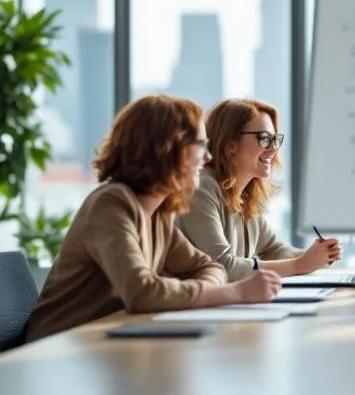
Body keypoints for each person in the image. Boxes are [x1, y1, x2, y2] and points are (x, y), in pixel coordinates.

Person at [26, 95, 283, 342]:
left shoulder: (158, 214)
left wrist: (210, 290)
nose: (208, 157)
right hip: (57, 347)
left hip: (108, 339)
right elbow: (142, 293)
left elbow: (209, 267)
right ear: (167, 149)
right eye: (200, 146)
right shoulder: (111, 205)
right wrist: (233, 292)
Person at [175, 98, 341, 282]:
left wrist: (318, 256)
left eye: (275, 139)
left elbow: (272, 249)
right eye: (264, 138)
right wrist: (299, 265)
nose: (274, 149)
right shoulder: (202, 188)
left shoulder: (247, 193)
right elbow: (221, 266)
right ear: (231, 145)